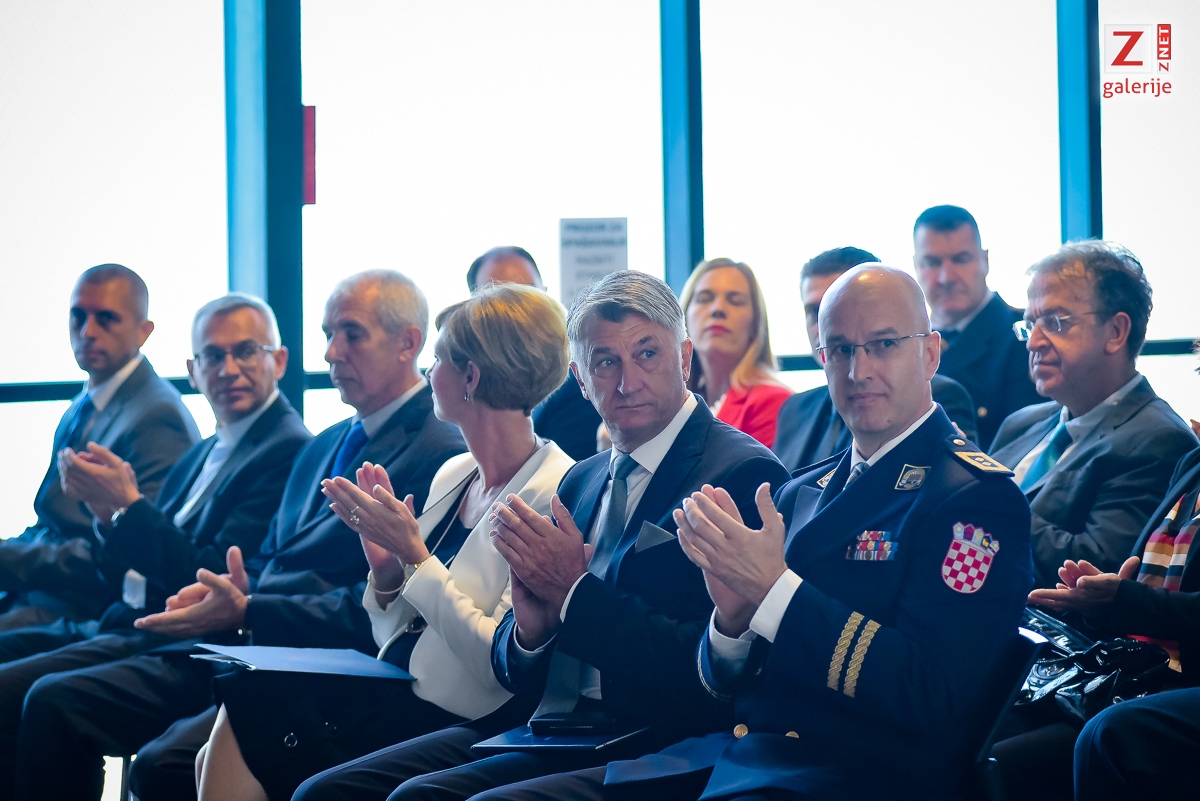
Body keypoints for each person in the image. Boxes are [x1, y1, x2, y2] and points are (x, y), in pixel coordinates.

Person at [292, 269, 790, 801]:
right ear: (580, 378)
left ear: (685, 359)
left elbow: (712, 670)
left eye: (647, 354)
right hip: (547, 723)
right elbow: (516, 656)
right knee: (326, 792)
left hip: (660, 738)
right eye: (605, 362)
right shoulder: (584, 479)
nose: (628, 382)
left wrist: (574, 594)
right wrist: (532, 634)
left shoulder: (740, 472)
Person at [10, 270, 467, 801]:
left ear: (409, 343)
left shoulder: (438, 449)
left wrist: (246, 606)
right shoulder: (322, 443)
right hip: (255, 641)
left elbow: (376, 601)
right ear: (193, 370)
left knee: (138, 749)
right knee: (54, 697)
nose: (330, 353)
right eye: (327, 334)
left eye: (351, 334)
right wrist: (231, 590)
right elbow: (270, 560)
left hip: (323, 657)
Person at [600, 265, 1034, 801]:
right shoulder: (801, 491)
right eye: (841, 350)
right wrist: (733, 622)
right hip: (742, 758)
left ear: (930, 353)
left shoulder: (974, 501)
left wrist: (774, 592)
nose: (859, 370)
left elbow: (928, 693)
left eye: (884, 345)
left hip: (860, 776)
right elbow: (727, 686)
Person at [191, 283, 577, 801]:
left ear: (470, 377)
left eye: (436, 360)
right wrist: (387, 573)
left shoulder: (554, 490)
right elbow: (390, 630)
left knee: (251, 720)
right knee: (241, 708)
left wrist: (415, 557)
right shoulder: (455, 472)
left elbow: (500, 666)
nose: (426, 373)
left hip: (470, 713)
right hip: (402, 681)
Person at [0, 293, 311, 793]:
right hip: (134, 623)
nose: (228, 369)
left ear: (278, 361)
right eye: (213, 356)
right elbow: (129, 566)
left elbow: (211, 576)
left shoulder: (288, 449)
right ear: (193, 371)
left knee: (49, 699)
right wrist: (108, 517)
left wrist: (128, 506)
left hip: (203, 646)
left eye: (245, 351)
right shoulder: (205, 451)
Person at [1003, 425, 1200, 801]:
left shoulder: (1163, 439)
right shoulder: (1193, 462)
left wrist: (1125, 600)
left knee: (1101, 735)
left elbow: (1144, 602)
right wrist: (1096, 603)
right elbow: (1142, 592)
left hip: (1176, 683)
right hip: (1136, 675)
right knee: (994, 727)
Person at [0, 264, 200, 630]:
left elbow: (121, 551)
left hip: (82, 607)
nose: (87, 331)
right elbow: (50, 520)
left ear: (144, 332)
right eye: (78, 316)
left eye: (106, 318)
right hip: (39, 588)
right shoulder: (86, 401)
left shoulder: (158, 416)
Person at [990, 241, 1196, 587]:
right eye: (1030, 325)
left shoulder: (1159, 441)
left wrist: (984, 494)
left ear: (1115, 332)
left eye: (1054, 322)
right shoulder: (1021, 423)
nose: (1033, 342)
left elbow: (1092, 574)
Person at [774, 246, 978, 471]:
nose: (827, 322)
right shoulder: (795, 410)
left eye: (885, 343)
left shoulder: (938, 395)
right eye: (816, 311)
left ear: (930, 354)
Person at [914, 205, 1042, 448]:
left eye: (960, 260)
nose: (946, 277)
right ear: (916, 266)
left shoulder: (1025, 339)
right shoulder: (906, 346)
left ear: (985, 261)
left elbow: (1025, 450)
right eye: (932, 262)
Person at [467, 246, 602, 462]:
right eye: (500, 300)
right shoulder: (467, 380)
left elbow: (570, 472)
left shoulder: (579, 381)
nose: (521, 312)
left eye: (530, 294)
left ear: (545, 294)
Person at [680, 258, 792, 448]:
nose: (718, 309)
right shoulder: (680, 405)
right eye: (704, 298)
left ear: (755, 324)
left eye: (735, 301)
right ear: (683, 319)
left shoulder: (773, 402)